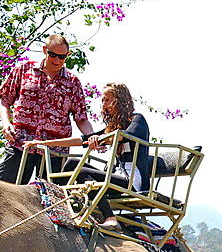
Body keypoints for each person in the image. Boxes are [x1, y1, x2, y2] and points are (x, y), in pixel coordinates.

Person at [23, 82, 150, 230]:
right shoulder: (113, 127)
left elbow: (125, 136)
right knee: (72, 163)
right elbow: (82, 140)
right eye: (103, 100)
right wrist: (44, 142)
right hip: (116, 177)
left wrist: (102, 139)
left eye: (107, 100)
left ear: (120, 100)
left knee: (82, 173)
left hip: (131, 181)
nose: (104, 104)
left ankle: (110, 218)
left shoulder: (137, 119)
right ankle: (60, 201)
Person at [0, 34, 94, 184]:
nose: (57, 60)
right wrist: (6, 123)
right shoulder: (24, 69)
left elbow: (81, 119)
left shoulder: (73, 83)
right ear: (45, 50)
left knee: (51, 201)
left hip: (54, 152)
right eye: (53, 55)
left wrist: (92, 137)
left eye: (61, 57)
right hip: (20, 143)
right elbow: (4, 98)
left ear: (67, 55)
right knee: (5, 191)